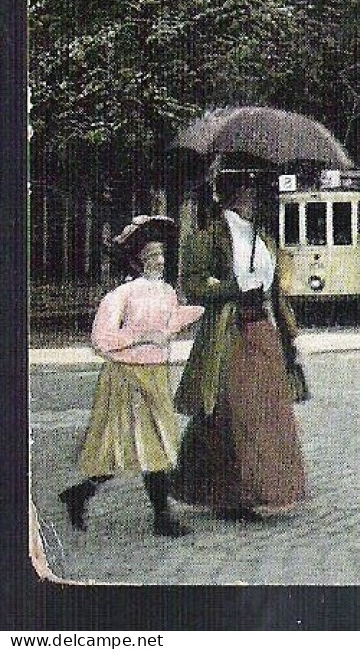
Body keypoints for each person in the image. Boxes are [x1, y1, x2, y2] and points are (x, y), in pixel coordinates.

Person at [172, 167, 308, 519]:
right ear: (230, 194)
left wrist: (288, 331)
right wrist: (232, 289)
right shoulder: (210, 234)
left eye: (254, 190)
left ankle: (263, 489)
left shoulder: (263, 236)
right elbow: (193, 284)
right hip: (230, 330)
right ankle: (237, 493)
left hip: (265, 330)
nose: (252, 197)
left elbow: (275, 288)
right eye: (246, 190)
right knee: (237, 411)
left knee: (270, 411)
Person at [58, 215, 204, 537]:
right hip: (126, 375)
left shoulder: (167, 291)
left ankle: (155, 515)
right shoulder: (121, 295)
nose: (160, 261)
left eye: (162, 254)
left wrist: (195, 312)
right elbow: (102, 339)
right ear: (137, 260)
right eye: (152, 256)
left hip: (156, 374)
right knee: (122, 446)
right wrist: (141, 335)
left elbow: (170, 321)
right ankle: (88, 496)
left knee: (161, 445)